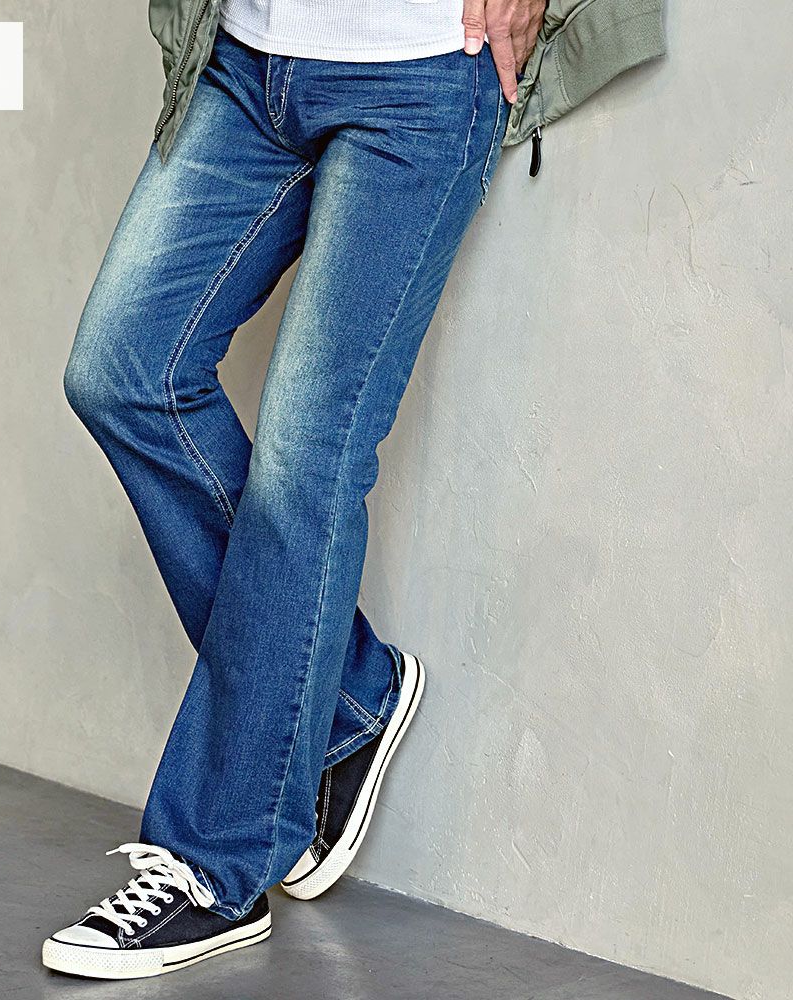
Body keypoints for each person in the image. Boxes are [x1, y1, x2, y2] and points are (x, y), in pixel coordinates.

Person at [41, 0, 666, 980]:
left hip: (420, 76)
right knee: (123, 371)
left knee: (307, 455)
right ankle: (345, 694)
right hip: (247, 61)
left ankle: (217, 864)